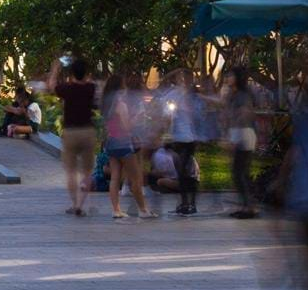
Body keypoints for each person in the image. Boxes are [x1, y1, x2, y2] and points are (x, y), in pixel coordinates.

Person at [161, 68, 216, 217]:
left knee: (185, 170)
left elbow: (201, 115)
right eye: (181, 78)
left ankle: (191, 203)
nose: (183, 81)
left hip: (189, 138)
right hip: (177, 137)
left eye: (186, 78)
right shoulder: (175, 94)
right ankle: (185, 203)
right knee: (180, 171)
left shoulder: (194, 97)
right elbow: (166, 111)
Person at [49, 57, 99, 217]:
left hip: (70, 132)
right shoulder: (91, 88)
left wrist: (55, 69)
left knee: (70, 172)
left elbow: (51, 86)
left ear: (72, 74)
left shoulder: (67, 88)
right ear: (86, 74)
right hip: (87, 131)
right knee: (87, 172)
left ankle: (74, 203)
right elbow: (93, 85)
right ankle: (80, 205)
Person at [102, 74, 153, 219]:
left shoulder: (108, 105)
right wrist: (137, 117)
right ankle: (143, 210)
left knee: (115, 178)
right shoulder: (121, 105)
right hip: (123, 144)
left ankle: (116, 210)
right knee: (136, 179)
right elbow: (127, 127)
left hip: (111, 143)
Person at [222, 66, 263, 217]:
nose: (227, 79)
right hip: (239, 133)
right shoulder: (233, 94)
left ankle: (249, 207)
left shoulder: (242, 95)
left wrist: (233, 138)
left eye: (230, 76)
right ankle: (247, 205)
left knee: (239, 173)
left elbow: (245, 113)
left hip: (243, 134)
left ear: (238, 77)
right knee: (241, 173)